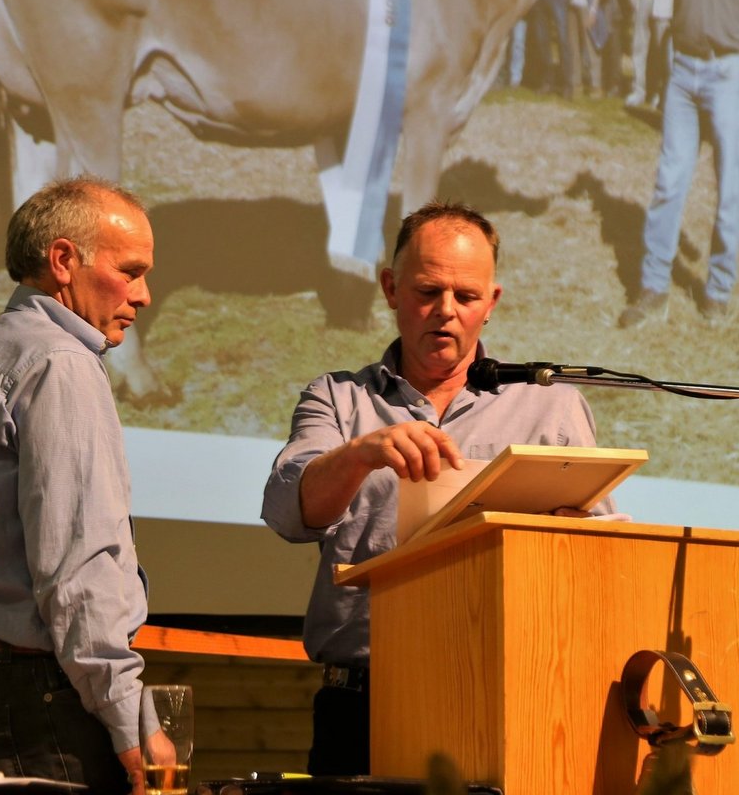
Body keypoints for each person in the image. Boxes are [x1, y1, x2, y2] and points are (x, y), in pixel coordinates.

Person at [262, 201, 621, 775]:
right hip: (363, 706)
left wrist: (576, 539)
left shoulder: (550, 407)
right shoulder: (338, 399)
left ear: (492, 302)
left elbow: (602, 560)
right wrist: (362, 453)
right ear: (390, 288)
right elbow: (287, 512)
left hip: (507, 695)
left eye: (467, 296)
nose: (446, 311)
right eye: (428, 291)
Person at [0, 176, 171, 795]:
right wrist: (130, 721)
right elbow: (77, 561)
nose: (144, 295)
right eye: (130, 271)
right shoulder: (61, 362)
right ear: (62, 260)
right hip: (38, 687)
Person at [619, 0, 739, 328]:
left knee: (728, 188)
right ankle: (654, 287)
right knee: (669, 181)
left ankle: (718, 291)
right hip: (682, 71)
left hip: (727, 73)